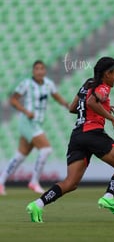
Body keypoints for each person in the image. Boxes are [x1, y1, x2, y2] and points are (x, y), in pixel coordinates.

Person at [26, 57, 114, 223]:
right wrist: (112, 118)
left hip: (77, 136)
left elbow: (72, 107)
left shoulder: (88, 83)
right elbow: (91, 102)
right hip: (93, 133)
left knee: (70, 183)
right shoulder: (103, 87)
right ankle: (108, 196)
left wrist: (102, 108)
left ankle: (37, 204)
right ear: (107, 73)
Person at [0, 60, 69, 195]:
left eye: (42, 69)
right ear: (33, 71)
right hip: (27, 121)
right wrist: (25, 111)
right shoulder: (26, 84)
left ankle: (1, 182)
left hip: (37, 123)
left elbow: (56, 96)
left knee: (20, 155)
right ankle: (34, 181)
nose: (39, 71)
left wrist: (67, 104)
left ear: (45, 71)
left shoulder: (48, 84)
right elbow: (13, 100)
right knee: (46, 149)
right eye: (37, 69)